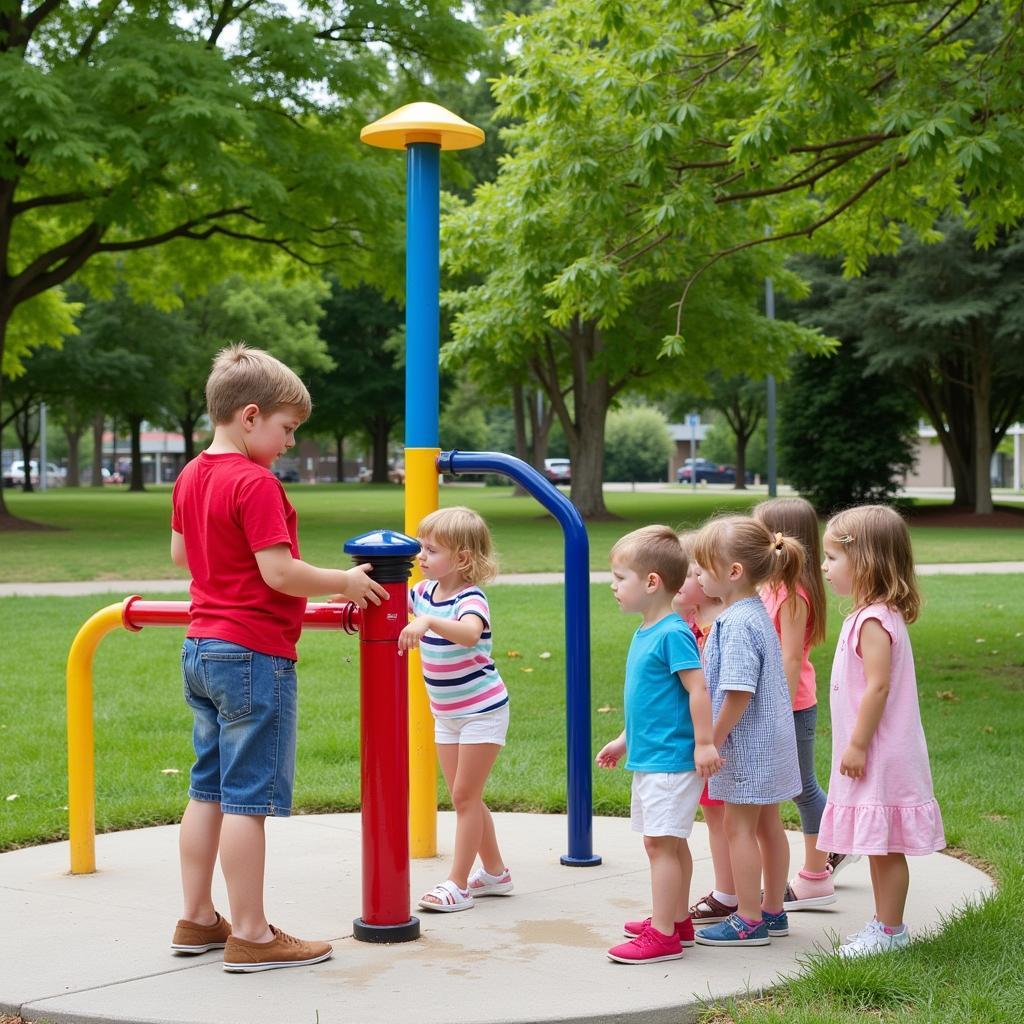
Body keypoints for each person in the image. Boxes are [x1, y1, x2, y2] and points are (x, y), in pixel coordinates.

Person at [169, 342, 387, 973]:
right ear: (250, 415)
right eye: (287, 429)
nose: (290, 442)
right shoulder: (254, 482)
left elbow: (183, 558)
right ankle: (252, 934)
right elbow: (280, 573)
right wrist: (345, 583)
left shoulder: (190, 475)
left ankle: (197, 918)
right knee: (245, 800)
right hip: (252, 654)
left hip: (201, 648)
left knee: (205, 788)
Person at [817, 505, 945, 957]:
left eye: (832, 558)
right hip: (875, 749)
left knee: (885, 846)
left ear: (865, 562)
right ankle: (883, 925)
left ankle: (890, 932)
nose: (824, 567)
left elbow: (878, 686)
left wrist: (855, 744)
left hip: (878, 751)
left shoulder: (874, 620)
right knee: (877, 844)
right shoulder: (871, 615)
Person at [596, 526, 722, 965]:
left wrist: (705, 742)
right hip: (652, 756)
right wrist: (623, 740)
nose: (612, 585)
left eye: (619, 577)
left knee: (660, 845)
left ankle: (664, 934)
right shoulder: (647, 631)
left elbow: (698, 689)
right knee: (669, 843)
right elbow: (651, 702)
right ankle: (677, 921)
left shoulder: (672, 633)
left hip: (671, 761)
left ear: (651, 583)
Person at [691, 516, 803, 947]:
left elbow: (737, 691)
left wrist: (711, 740)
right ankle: (773, 911)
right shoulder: (755, 612)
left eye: (702, 568)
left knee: (740, 830)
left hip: (746, 746)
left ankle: (749, 919)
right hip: (772, 740)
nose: (697, 575)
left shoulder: (734, 622)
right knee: (768, 828)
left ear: (733, 572)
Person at [398, 506, 513, 913]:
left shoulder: (470, 598)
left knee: (465, 796)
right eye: (420, 548)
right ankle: (496, 873)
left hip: (483, 710)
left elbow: (468, 633)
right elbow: (393, 602)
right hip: (447, 713)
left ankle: (458, 883)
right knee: (466, 796)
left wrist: (427, 622)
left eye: (430, 549)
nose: (421, 557)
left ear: (462, 558)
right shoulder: (424, 592)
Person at [752, 497, 847, 909]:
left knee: (803, 788)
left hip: (791, 706)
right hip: (774, 704)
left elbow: (792, 657)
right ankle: (836, 846)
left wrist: (777, 710)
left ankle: (816, 873)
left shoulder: (793, 593)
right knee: (800, 788)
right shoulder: (769, 586)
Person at [672, 533, 735, 929]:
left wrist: (709, 738)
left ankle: (731, 893)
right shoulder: (692, 625)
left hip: (718, 739)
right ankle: (727, 890)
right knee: (716, 818)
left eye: (689, 572)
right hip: (707, 737)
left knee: (726, 820)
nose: (680, 580)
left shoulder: (716, 630)